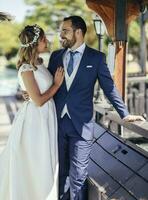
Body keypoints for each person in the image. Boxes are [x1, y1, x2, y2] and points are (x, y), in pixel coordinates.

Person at [47, 16, 145, 200]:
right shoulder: (56, 57)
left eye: (65, 31)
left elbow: (109, 88)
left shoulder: (96, 58)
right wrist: (29, 92)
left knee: (78, 176)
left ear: (78, 32)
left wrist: (125, 114)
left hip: (81, 126)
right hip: (57, 125)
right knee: (59, 174)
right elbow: (44, 83)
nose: (61, 35)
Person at [0, 24, 64, 200]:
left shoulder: (40, 63)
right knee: (36, 162)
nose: (47, 42)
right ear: (36, 43)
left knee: (46, 160)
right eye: (44, 39)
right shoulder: (26, 68)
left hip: (46, 117)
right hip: (35, 121)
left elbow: (38, 91)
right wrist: (57, 85)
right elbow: (39, 100)